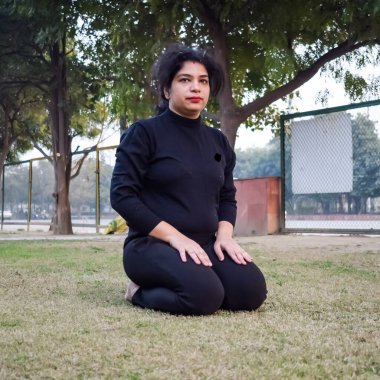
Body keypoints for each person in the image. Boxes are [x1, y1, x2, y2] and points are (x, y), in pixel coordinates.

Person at [110, 44, 267, 315]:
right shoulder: (144, 133)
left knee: (250, 292)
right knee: (204, 296)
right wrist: (175, 238)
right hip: (151, 245)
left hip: (205, 244)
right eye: (185, 80)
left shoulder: (218, 141)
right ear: (167, 90)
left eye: (203, 81)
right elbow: (122, 196)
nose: (196, 88)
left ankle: (204, 279)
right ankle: (138, 292)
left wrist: (225, 237)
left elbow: (227, 196)